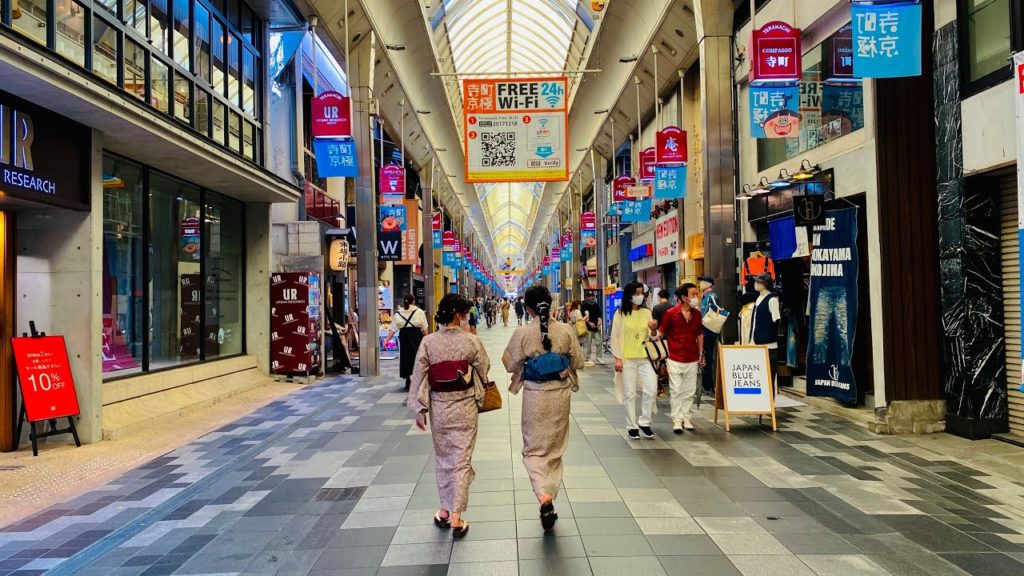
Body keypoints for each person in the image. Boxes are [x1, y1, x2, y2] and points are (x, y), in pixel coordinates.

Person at [408, 294, 490, 538]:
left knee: (444, 460)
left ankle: (444, 510)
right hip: (465, 409)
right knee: (461, 462)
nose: (465, 317)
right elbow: (484, 369)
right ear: (458, 315)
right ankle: (457, 516)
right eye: (464, 313)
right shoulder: (471, 341)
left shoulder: (429, 343)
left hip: (440, 409)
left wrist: (419, 409)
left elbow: (418, 376)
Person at [502, 286, 584, 530]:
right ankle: (550, 491)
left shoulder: (523, 333)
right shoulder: (566, 330)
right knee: (555, 448)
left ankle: (543, 494)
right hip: (560, 396)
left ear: (528, 308)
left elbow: (508, 364)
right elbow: (578, 361)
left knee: (534, 449)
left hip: (535, 397)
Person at [610, 281, 659, 439]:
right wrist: (618, 358)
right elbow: (615, 337)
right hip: (627, 359)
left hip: (645, 357)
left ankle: (645, 421)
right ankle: (631, 425)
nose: (640, 296)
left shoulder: (646, 312)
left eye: (641, 293)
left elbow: (653, 337)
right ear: (629, 294)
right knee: (629, 393)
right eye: (636, 293)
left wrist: (653, 331)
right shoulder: (620, 314)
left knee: (651, 389)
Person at [659, 283, 705, 433]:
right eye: (693, 294)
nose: (696, 297)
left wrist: (701, 353)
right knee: (676, 389)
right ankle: (677, 419)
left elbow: (699, 334)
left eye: (696, 294)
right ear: (684, 297)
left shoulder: (697, 314)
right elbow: (661, 332)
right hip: (674, 356)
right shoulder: (671, 313)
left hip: (691, 357)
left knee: (690, 390)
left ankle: (687, 417)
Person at [385, 295, 429, 391]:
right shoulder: (419, 312)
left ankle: (408, 379)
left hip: (404, 336)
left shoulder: (398, 313)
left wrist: (386, 340)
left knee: (405, 357)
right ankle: (418, 379)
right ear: (413, 301)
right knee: (417, 357)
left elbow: (393, 329)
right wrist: (428, 340)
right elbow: (425, 328)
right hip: (416, 336)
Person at [580, 293, 604, 365]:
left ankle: (599, 357)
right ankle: (588, 357)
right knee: (588, 343)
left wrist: (600, 320)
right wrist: (589, 323)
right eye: (589, 297)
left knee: (599, 342)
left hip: (596, 328)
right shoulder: (584, 306)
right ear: (587, 298)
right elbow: (582, 317)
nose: (591, 298)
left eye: (592, 296)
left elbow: (599, 315)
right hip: (588, 328)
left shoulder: (596, 305)